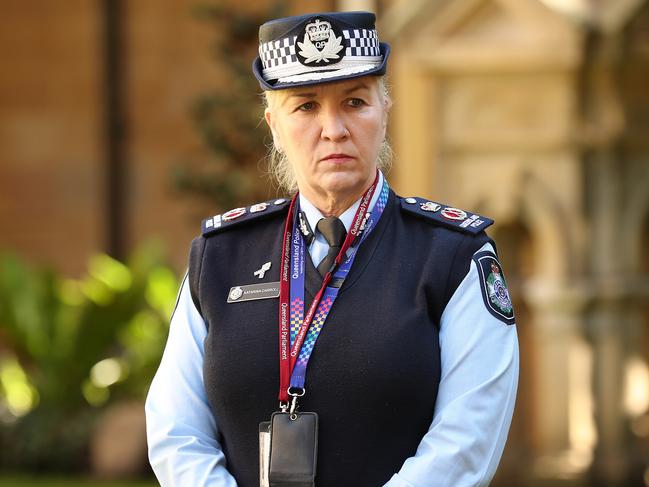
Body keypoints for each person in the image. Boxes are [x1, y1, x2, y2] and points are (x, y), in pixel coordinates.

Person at [145, 11, 518, 487]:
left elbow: (467, 443)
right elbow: (176, 430)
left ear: (385, 111)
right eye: (305, 107)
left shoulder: (452, 258)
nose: (334, 129)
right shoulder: (219, 257)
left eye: (355, 103)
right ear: (274, 126)